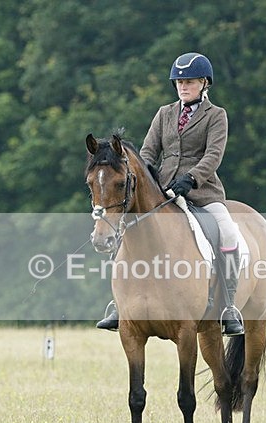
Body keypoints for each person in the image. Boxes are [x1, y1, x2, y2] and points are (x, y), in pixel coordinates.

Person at [97, 52, 244, 336]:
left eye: (188, 82)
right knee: (126, 227)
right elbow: (148, 151)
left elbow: (214, 155)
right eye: (178, 82)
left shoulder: (216, 116)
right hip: (163, 192)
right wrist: (148, 176)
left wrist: (191, 178)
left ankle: (228, 306)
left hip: (202, 193)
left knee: (227, 232)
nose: (183, 87)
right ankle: (120, 304)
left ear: (204, 83)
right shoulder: (165, 113)